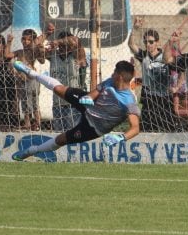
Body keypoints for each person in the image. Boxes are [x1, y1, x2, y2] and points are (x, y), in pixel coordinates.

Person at [11, 60, 140, 162]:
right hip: (90, 106)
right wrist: (88, 99)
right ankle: (32, 73)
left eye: (115, 72)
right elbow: (93, 94)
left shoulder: (128, 101)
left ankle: (31, 151)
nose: (112, 74)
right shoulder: (111, 81)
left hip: (93, 127)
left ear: (120, 77)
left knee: (61, 140)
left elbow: (135, 128)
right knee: (59, 89)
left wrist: (120, 137)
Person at [128, 17, 181, 133]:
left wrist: (177, 87)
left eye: (151, 42)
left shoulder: (165, 57)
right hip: (149, 99)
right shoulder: (144, 56)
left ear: (157, 42)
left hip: (164, 100)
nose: (148, 44)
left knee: (170, 131)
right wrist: (135, 28)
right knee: (146, 131)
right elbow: (131, 44)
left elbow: (183, 71)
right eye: (146, 42)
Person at [44, 29, 88, 132]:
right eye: (61, 46)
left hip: (73, 103)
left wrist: (58, 41)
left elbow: (76, 40)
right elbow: (35, 50)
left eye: (66, 45)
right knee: (59, 135)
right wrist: (47, 34)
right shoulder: (53, 55)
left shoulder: (77, 56)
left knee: (73, 133)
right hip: (57, 103)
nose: (63, 48)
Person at [14, 28, 46, 131]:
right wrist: (9, 42)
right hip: (22, 81)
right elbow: (7, 55)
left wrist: (41, 50)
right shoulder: (19, 52)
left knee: (35, 103)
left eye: (29, 40)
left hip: (32, 79)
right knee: (25, 104)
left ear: (32, 41)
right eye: (24, 39)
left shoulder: (34, 50)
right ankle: (27, 123)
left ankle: (37, 123)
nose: (25, 42)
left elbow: (42, 61)